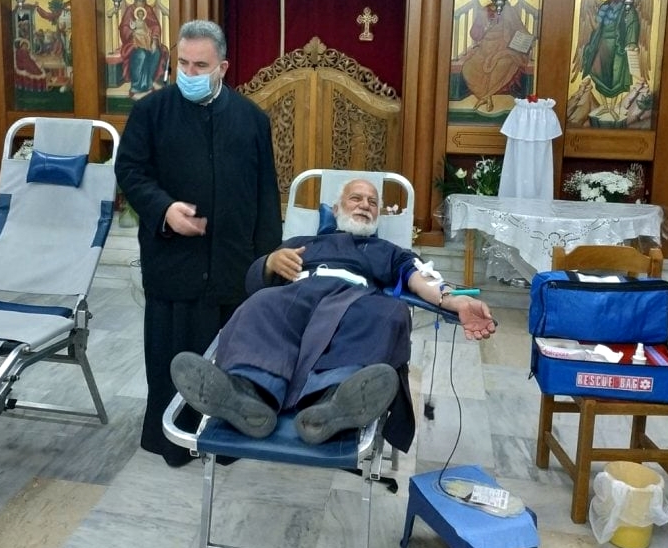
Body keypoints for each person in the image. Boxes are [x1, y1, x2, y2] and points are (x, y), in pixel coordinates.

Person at [171, 178, 496, 452]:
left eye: (372, 202)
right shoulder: (302, 242)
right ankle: (246, 393)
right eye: (356, 198)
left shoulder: (388, 251)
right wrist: (270, 263)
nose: (365, 205)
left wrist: (454, 301)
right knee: (262, 304)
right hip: (296, 294)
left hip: (353, 300)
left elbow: (422, 277)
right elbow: (253, 282)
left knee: (387, 313)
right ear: (337, 209)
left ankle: (330, 402)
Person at [115, 19, 282, 467]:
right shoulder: (151, 112)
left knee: (229, 359)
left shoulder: (251, 119)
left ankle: (225, 441)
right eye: (183, 64)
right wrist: (164, 209)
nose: (188, 73)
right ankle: (173, 441)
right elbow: (129, 170)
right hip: (175, 262)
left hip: (232, 263)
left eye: (200, 66)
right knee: (172, 356)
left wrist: (266, 264)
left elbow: (266, 195)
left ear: (222, 67)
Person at [580, 0, 639, 121]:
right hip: (601, 45)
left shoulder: (627, 9)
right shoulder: (604, 6)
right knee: (598, 73)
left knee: (615, 78)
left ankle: (613, 108)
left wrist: (631, 42)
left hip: (617, 48)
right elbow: (597, 27)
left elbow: (633, 24)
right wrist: (590, 16)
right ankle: (605, 106)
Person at [119, 0, 170, 98]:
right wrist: (132, 32)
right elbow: (124, 27)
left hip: (148, 41)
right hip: (133, 43)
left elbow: (155, 26)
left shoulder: (148, 9)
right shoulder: (130, 10)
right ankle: (136, 86)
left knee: (156, 52)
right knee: (141, 55)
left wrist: (154, 40)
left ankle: (148, 83)